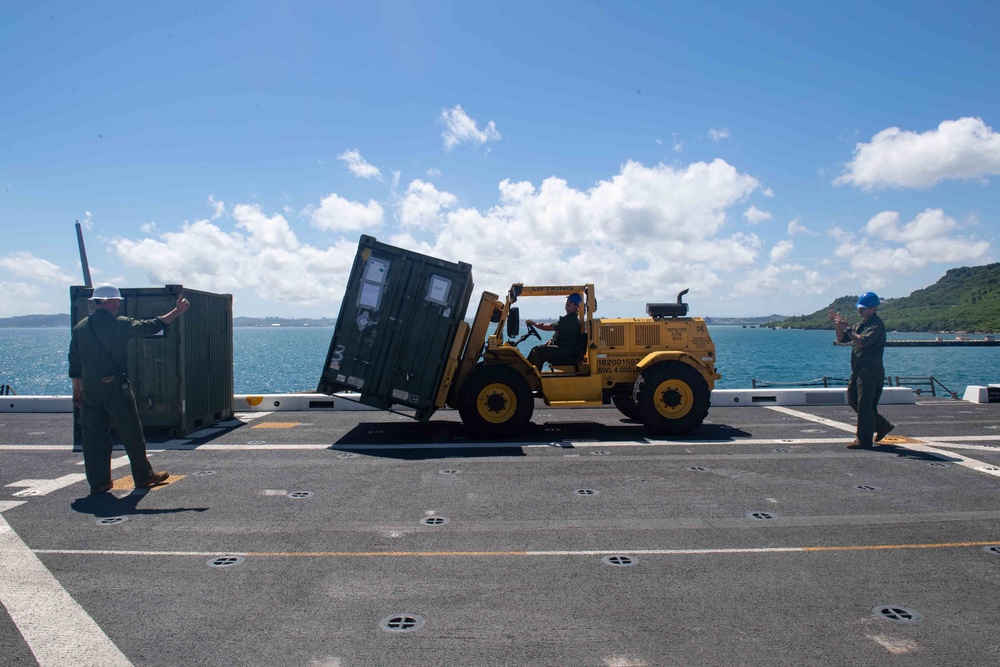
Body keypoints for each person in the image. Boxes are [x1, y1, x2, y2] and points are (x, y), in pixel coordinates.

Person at [69, 284, 190, 494]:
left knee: (94, 438)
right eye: (116, 301)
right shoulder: (119, 324)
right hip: (114, 386)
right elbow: (149, 327)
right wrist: (177, 311)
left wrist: (76, 389)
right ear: (110, 302)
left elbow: (75, 362)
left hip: (89, 389)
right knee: (131, 432)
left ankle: (99, 482)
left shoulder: (80, 327)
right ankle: (143, 475)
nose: (118, 304)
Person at [829, 291, 894, 450]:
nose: (860, 310)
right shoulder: (861, 324)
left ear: (874, 308)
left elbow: (862, 342)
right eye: (859, 307)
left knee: (865, 405)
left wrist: (848, 329)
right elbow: (841, 339)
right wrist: (839, 325)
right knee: (853, 398)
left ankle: (864, 440)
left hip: (870, 371)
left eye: (864, 308)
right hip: (859, 369)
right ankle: (882, 425)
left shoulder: (876, 325)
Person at [525, 293, 584, 370]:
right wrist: (552, 340)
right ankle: (528, 374)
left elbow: (550, 327)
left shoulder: (571, 320)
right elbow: (562, 334)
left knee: (537, 352)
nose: (568, 303)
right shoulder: (569, 319)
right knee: (535, 349)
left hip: (565, 351)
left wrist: (534, 323)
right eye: (568, 301)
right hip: (564, 349)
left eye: (571, 302)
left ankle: (531, 378)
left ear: (577, 306)